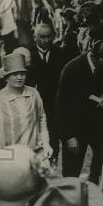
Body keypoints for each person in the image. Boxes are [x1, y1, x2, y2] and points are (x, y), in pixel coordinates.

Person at [56, 40, 103, 183]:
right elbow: (61, 106)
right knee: (72, 170)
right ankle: (71, 195)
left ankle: (94, 188)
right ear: (93, 56)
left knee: (102, 160)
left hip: (97, 124)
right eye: (102, 63)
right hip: (75, 125)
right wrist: (69, 137)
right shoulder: (71, 69)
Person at [0, 51, 51, 161]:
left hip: (34, 153)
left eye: (22, 73)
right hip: (10, 156)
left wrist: (46, 143)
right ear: (6, 76)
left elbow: (42, 119)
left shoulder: (34, 94)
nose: (19, 77)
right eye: (14, 74)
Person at [29, 21, 67, 158]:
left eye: (49, 36)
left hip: (54, 102)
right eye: (42, 37)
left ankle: (53, 159)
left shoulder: (60, 53)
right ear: (35, 37)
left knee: (53, 133)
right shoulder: (29, 54)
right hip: (34, 103)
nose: (46, 40)